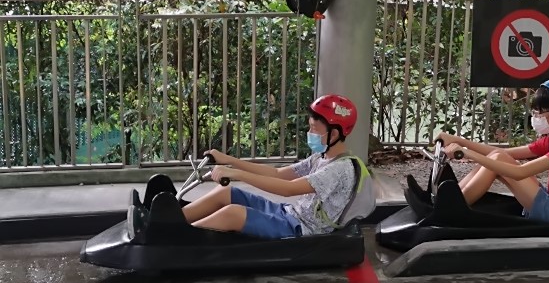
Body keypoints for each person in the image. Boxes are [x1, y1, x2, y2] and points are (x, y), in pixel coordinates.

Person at [130, 94, 373, 238]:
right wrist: (228, 160)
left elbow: (288, 189)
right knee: (227, 193)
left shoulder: (340, 169)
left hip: (302, 229)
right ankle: (162, 222)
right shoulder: (320, 158)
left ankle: (175, 238)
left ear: (335, 134)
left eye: (314, 129)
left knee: (233, 213)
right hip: (289, 214)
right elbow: (277, 174)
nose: (309, 133)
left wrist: (236, 174)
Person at [439, 78, 549, 222]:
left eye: (542, 111)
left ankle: (452, 209)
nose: (537, 116)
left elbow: (520, 173)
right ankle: (453, 199)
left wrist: (466, 153)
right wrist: (458, 140)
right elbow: (500, 153)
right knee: (498, 155)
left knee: (497, 158)